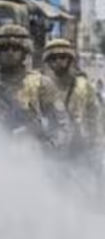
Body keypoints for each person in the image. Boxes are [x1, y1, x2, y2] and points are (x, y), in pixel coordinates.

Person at [0, 24, 71, 149]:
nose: (10, 53)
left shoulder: (41, 84)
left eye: (16, 48)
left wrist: (46, 148)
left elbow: (62, 127)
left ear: (25, 52)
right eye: (4, 48)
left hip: (33, 161)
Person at [42, 39, 102, 175]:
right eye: (54, 58)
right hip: (52, 150)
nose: (58, 61)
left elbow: (95, 117)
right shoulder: (41, 86)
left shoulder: (84, 86)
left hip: (81, 148)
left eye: (63, 57)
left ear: (70, 59)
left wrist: (97, 146)